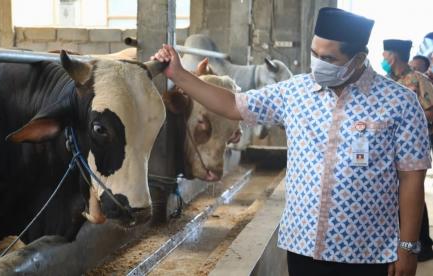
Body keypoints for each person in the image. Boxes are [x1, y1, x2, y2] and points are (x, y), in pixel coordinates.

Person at [153, 7, 430, 276]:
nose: (318, 63)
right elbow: (232, 105)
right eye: (314, 53)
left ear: (358, 59)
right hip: (304, 248)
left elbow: (411, 180)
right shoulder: (295, 92)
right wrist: (179, 75)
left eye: (329, 58)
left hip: (369, 253)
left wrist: (408, 247)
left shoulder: (400, 103)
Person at [383, 40, 433, 262]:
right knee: (395, 193)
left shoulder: (419, 80)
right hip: (386, 148)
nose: (382, 57)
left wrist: (407, 117)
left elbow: (431, 113)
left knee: (413, 192)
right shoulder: (386, 83)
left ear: (393, 55)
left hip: (412, 149)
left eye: (385, 53)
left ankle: (422, 244)